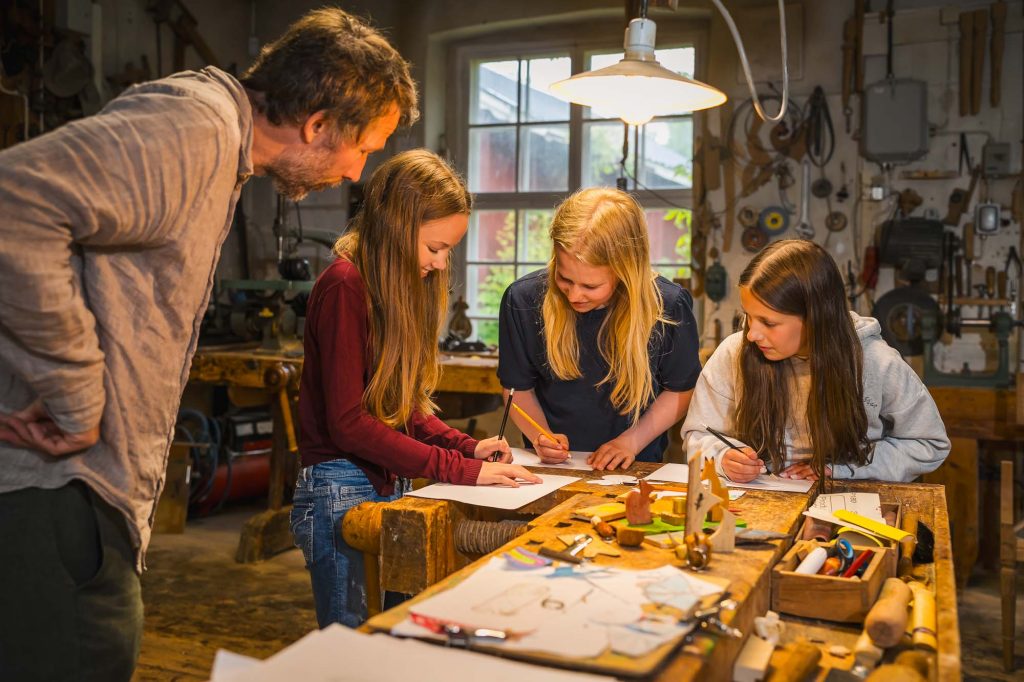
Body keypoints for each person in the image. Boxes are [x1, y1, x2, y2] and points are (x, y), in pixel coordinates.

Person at [0, 8, 416, 681]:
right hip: (56, 481)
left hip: (82, 481)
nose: (354, 172)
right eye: (364, 147)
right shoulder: (192, 127)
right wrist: (75, 394)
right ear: (317, 125)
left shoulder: (219, 148)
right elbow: (13, 202)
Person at [293, 149, 539, 628]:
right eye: (434, 247)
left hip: (384, 481)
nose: (442, 262)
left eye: (449, 249)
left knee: (394, 634)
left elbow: (394, 406)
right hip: (340, 487)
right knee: (352, 650)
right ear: (395, 225)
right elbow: (349, 424)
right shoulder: (345, 286)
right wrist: (462, 471)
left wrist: (467, 447)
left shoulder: (388, 287)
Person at [682, 239, 950, 484]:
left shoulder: (876, 363)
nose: (752, 333)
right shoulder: (734, 353)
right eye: (749, 316)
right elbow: (697, 435)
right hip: (758, 500)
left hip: (848, 503)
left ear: (816, 318)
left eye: (769, 322)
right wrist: (722, 457)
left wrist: (842, 468)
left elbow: (929, 444)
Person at [498, 188, 701, 471]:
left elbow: (681, 389)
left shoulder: (666, 306)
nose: (574, 296)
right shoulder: (523, 300)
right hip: (550, 467)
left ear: (625, 271)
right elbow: (516, 388)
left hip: (635, 465)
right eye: (564, 279)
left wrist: (631, 441)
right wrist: (540, 436)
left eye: (591, 286)